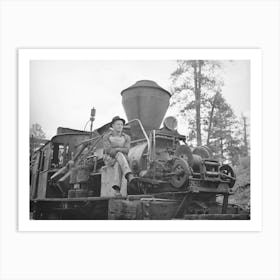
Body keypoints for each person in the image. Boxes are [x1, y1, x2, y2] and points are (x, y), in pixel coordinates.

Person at [102, 116, 137, 195]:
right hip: (109, 159)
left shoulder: (127, 137)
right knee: (119, 154)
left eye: (121, 124)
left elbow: (127, 150)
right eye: (118, 124)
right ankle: (128, 174)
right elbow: (108, 150)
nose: (120, 126)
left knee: (118, 163)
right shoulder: (107, 137)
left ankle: (117, 190)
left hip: (121, 159)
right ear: (113, 126)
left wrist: (117, 149)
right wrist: (119, 150)